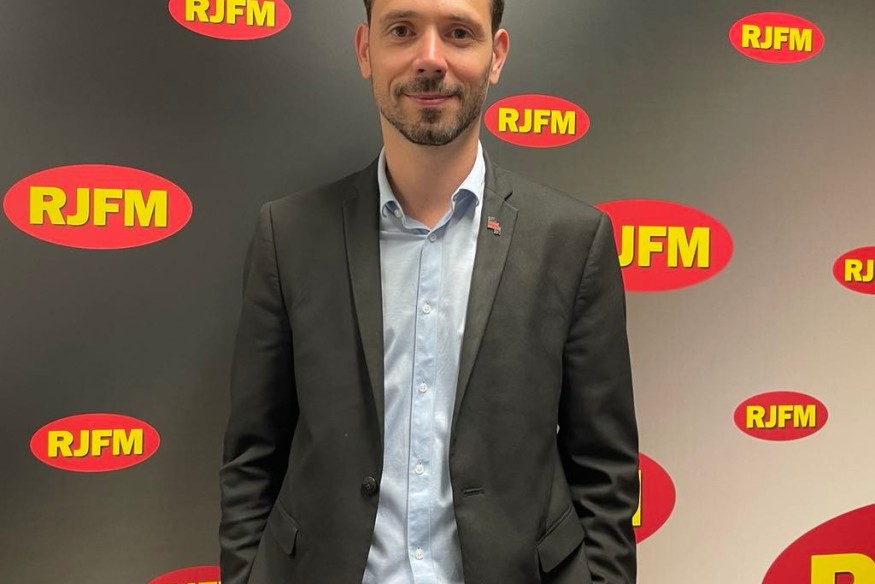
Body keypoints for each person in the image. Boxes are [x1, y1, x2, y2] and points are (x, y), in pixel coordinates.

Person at [218, 0, 639, 582]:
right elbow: (252, 457)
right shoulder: (288, 235)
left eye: (459, 32)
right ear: (366, 50)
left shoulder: (572, 241)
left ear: (497, 55)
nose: (430, 58)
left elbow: (605, 473)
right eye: (402, 30)